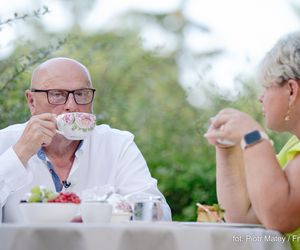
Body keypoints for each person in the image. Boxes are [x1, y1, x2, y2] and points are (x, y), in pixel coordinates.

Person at [0, 57, 171, 222]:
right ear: (31, 101)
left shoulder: (117, 145)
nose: (72, 106)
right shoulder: (6, 142)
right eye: (57, 94)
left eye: (81, 94)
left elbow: (159, 213)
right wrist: (20, 153)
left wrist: (114, 208)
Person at [204, 31, 300, 249]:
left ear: (292, 90)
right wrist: (227, 147)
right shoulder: (294, 146)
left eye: (266, 87)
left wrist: (253, 137)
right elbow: (243, 218)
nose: (261, 97)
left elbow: (280, 216)